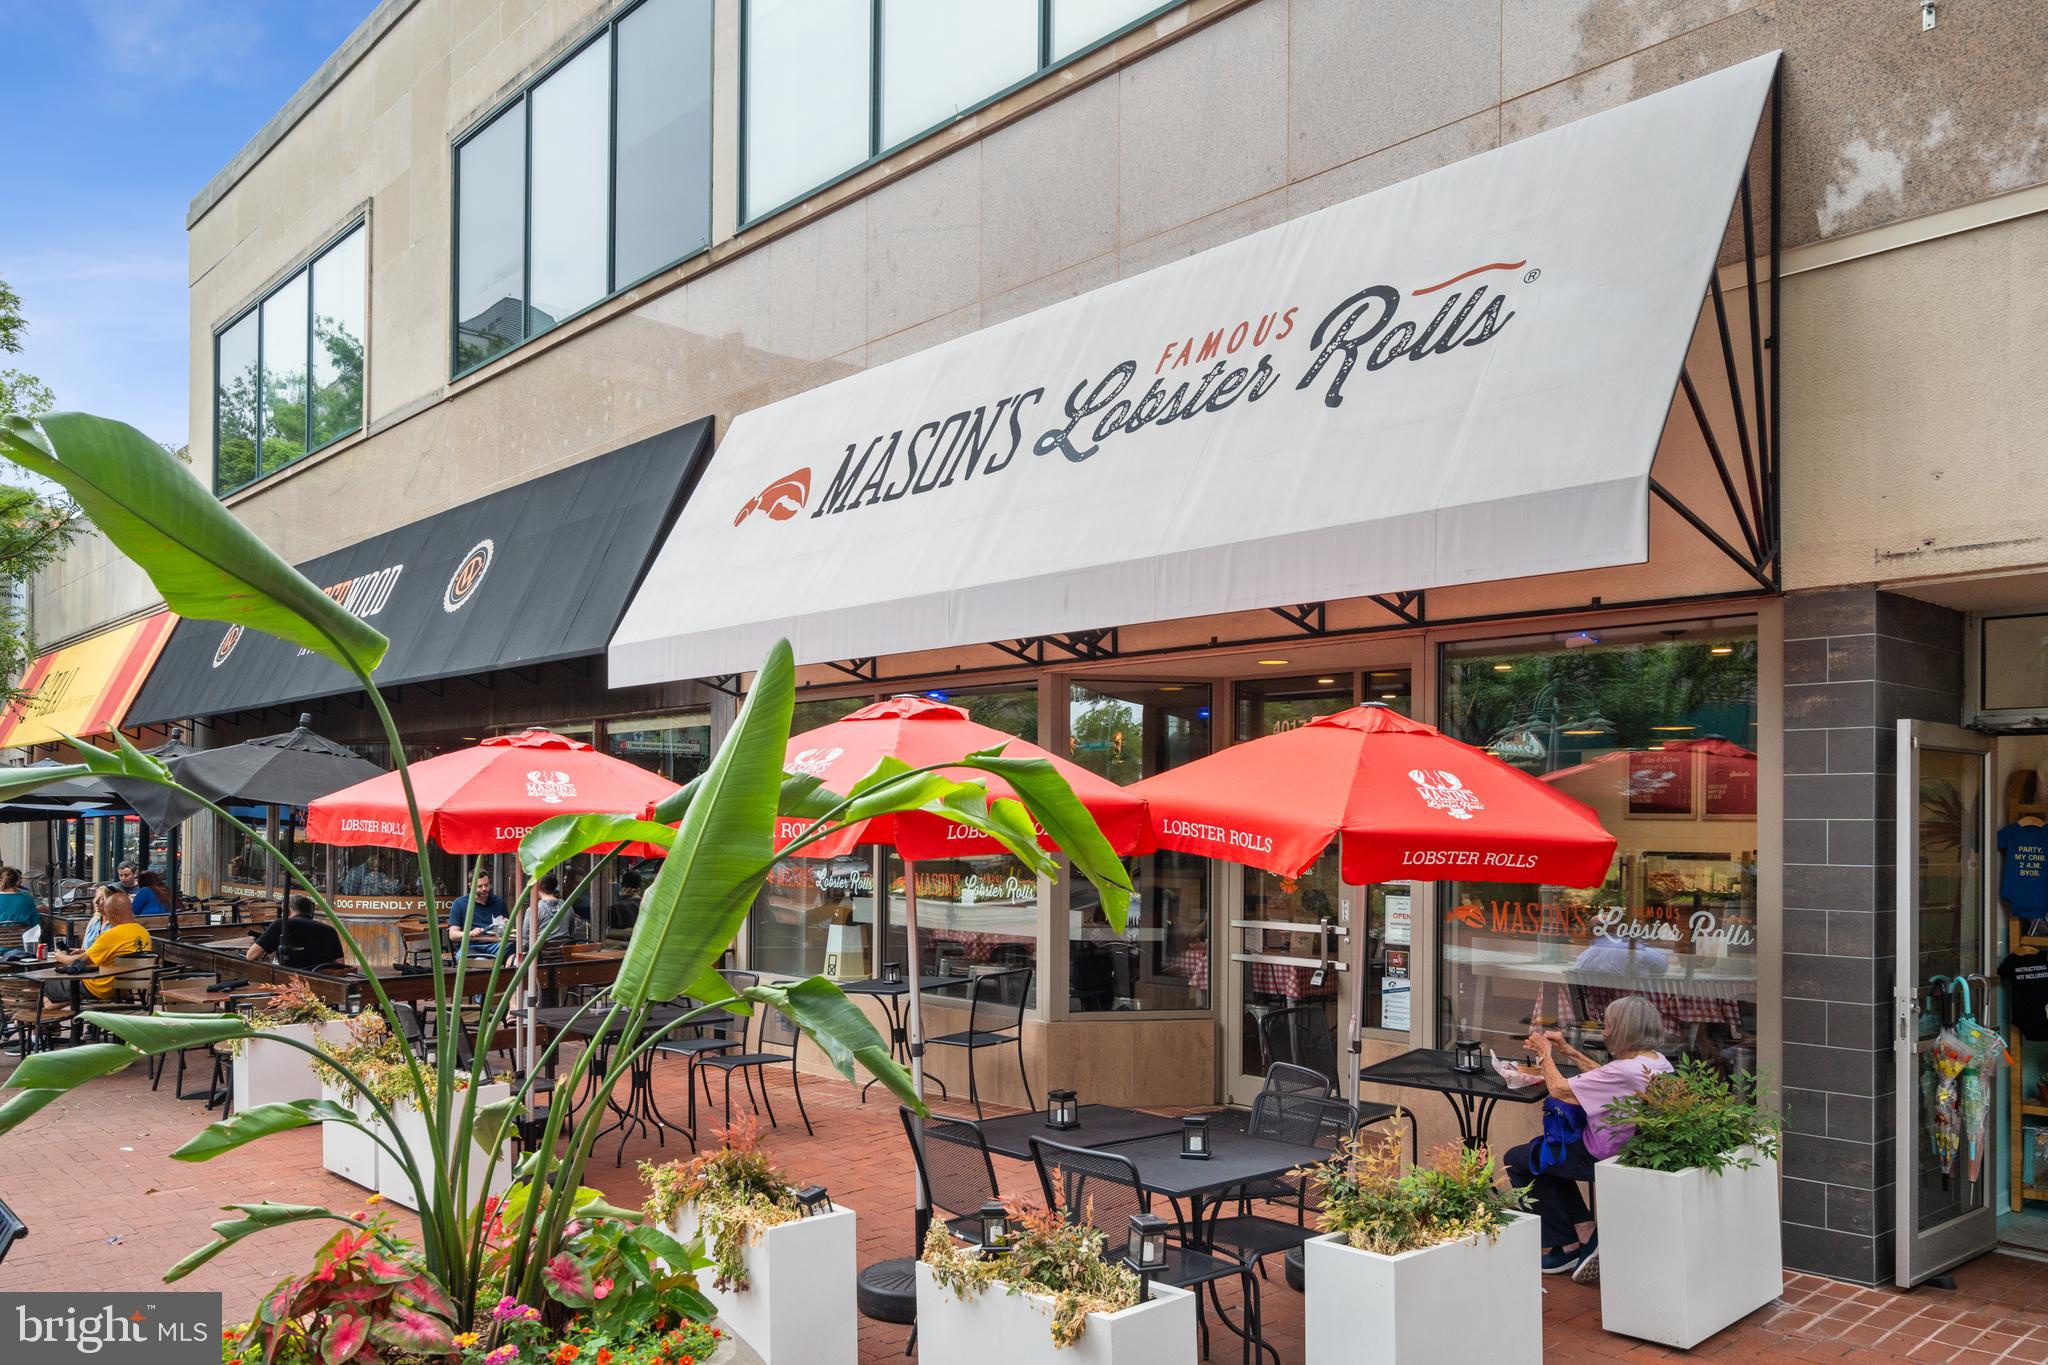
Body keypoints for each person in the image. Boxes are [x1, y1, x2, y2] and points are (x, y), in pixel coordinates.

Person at [1502, 994, 1673, 1283]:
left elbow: (1558, 1089)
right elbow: (1603, 1075)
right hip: (1626, 1148)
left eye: (1608, 1026)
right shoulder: (1656, 1062)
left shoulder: (1625, 1069)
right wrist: (1568, 1050)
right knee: (1544, 1153)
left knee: (1518, 1160)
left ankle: (1569, 1244)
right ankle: (1583, 1232)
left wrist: (1544, 1052)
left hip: (1601, 1153)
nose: (1604, 1032)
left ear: (1624, 1030)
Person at [47, 888, 150, 1002]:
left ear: (112, 913)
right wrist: (87, 952)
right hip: (122, 988)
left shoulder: (110, 935)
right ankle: (73, 1009)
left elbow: (76, 961)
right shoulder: (143, 933)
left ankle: (64, 1012)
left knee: (46, 986)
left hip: (98, 988)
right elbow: (113, 954)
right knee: (58, 999)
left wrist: (60, 956)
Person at [248, 895, 345, 969]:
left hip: (291, 984)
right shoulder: (330, 930)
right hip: (323, 985)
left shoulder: (281, 924)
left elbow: (251, 956)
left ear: (288, 911)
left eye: (283, 911)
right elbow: (340, 964)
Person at [447, 871, 509, 947]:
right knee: (480, 958)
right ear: (470, 886)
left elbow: (504, 931)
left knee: (514, 950)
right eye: (479, 886)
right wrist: (470, 933)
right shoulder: (459, 903)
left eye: (486, 885)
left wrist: (506, 924)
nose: (484, 889)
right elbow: (453, 935)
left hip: (495, 946)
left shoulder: (499, 902)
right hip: (470, 947)